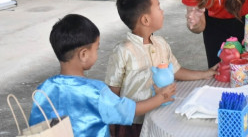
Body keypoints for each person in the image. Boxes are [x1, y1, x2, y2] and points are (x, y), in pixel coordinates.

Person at [29, 14, 176, 137]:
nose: (97, 53)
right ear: (84, 54)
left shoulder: (43, 89)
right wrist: (161, 97)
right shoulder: (95, 92)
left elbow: (36, 125)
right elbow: (130, 110)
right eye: (96, 48)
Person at [105, 0, 218, 137]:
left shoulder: (161, 43)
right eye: (158, 7)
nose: (162, 11)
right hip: (132, 123)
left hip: (161, 114)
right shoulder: (123, 51)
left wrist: (205, 74)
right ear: (145, 19)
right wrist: (111, 123)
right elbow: (113, 92)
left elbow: (176, 70)